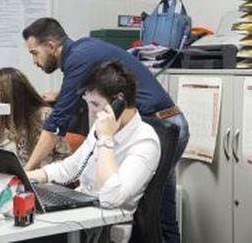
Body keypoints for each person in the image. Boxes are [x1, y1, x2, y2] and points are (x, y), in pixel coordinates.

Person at [22, 17, 189, 243]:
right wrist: (27, 176)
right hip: (143, 119)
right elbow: (70, 167)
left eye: (34, 52)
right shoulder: (82, 51)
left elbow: (56, 124)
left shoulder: (78, 60)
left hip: (162, 121)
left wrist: (27, 168)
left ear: (51, 46)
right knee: (156, 208)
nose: (34, 60)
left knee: (156, 210)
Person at [28, 61, 161, 243]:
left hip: (106, 230)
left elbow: (110, 198)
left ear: (119, 102)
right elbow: (70, 168)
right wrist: (30, 176)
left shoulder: (145, 141)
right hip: (81, 215)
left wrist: (106, 139)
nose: (91, 111)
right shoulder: (102, 126)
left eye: (96, 104)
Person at [0, 67, 70, 167]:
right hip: (10, 178)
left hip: (42, 179)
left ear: (12, 95)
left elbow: (64, 157)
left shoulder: (45, 116)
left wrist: (41, 174)